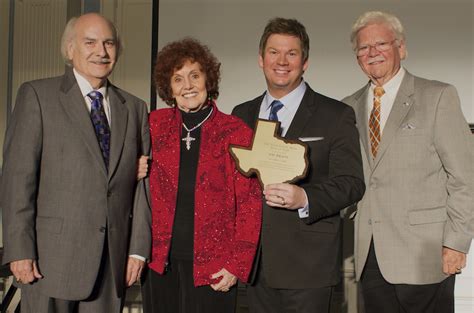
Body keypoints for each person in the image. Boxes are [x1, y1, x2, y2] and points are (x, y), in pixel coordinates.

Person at [1, 13, 150, 313]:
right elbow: (18, 180)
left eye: (109, 43)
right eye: (90, 42)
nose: (101, 51)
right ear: (69, 49)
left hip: (111, 264)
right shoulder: (37, 96)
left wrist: (137, 250)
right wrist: (19, 250)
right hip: (48, 262)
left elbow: (140, 190)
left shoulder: (134, 108)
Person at [342, 11, 473, 313]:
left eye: (381, 44)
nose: (372, 52)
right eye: (363, 48)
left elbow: (465, 177)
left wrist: (456, 243)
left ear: (401, 48)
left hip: (425, 254)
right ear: (357, 57)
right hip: (368, 255)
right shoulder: (347, 107)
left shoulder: (438, 96)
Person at [232, 17, 365, 313]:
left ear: (304, 62)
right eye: (274, 52)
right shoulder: (241, 114)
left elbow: (352, 182)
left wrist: (304, 198)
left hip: (308, 268)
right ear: (261, 59)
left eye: (291, 53)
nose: (282, 61)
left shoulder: (336, 114)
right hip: (252, 266)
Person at [140, 37, 262, 313]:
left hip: (215, 267)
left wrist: (236, 264)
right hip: (158, 263)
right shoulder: (153, 126)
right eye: (178, 79)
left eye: (195, 76)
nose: (188, 86)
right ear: (168, 88)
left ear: (208, 79)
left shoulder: (235, 132)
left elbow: (250, 204)